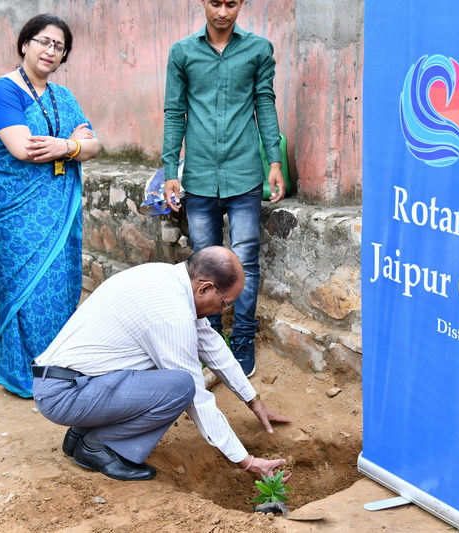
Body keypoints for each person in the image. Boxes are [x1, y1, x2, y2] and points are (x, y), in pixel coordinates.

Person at [32, 246, 291, 482]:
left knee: (162, 371)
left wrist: (253, 400)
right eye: (225, 303)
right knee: (179, 386)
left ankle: (82, 433)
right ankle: (101, 445)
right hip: (66, 395)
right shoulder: (172, 313)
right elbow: (197, 398)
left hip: (73, 384)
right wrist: (246, 461)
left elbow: (212, 345)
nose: (222, 311)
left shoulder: (167, 279)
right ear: (205, 288)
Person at [162, 0, 286, 377]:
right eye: (215, 2)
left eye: (231, 3)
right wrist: (170, 169)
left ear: (242, 4)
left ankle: (243, 337)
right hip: (199, 175)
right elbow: (174, 111)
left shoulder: (258, 50)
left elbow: (265, 105)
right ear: (203, 2)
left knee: (245, 259)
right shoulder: (182, 52)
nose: (222, 12)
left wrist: (274, 162)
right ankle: (210, 336)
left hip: (245, 172)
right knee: (203, 263)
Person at [0, 14, 100, 398]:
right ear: (25, 44)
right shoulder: (4, 90)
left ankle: (57, 366)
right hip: (14, 209)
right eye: (44, 41)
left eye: (59, 46)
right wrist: (73, 144)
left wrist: (66, 145)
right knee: (26, 290)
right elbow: (23, 148)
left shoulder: (64, 96)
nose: (51, 50)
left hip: (57, 207)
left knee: (60, 284)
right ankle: (24, 374)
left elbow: (94, 145)